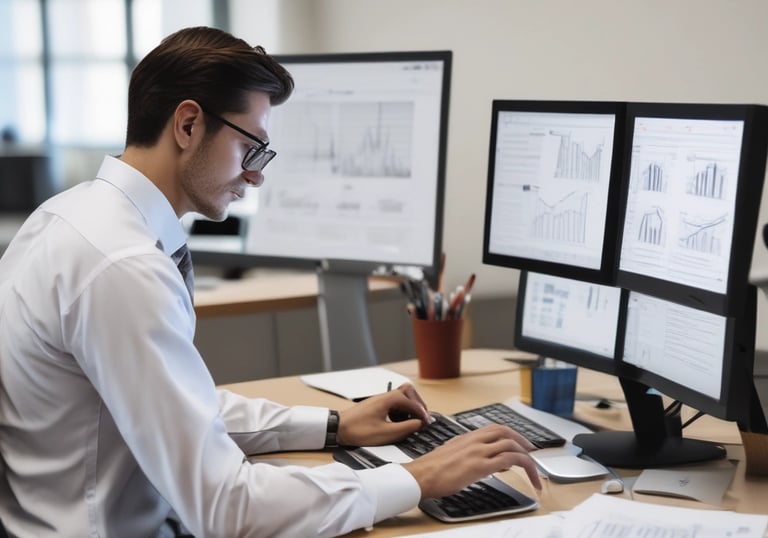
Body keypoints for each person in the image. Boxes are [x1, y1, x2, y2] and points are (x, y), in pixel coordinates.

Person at [0, 26, 541, 537]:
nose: (257, 174)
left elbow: (179, 407)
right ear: (188, 125)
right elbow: (226, 509)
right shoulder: (122, 268)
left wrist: (334, 425)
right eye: (250, 147)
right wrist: (417, 479)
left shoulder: (68, 217)